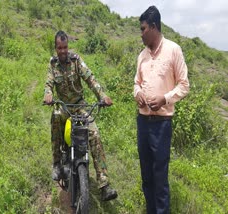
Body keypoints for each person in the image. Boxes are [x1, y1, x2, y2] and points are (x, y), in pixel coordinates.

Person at [43, 30, 117, 201]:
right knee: (55, 117)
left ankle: (104, 184)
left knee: (95, 134)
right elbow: (48, 83)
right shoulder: (53, 64)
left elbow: (91, 79)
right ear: (55, 48)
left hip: (79, 105)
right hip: (63, 106)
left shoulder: (76, 60)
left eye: (65, 47)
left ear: (68, 46)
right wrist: (48, 94)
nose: (63, 51)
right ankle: (56, 164)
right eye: (59, 48)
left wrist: (102, 96)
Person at [134, 6, 189, 214]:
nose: (141, 34)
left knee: (160, 178)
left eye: (143, 29)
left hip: (161, 125)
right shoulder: (142, 56)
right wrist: (137, 92)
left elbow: (184, 85)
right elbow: (136, 83)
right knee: (147, 176)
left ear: (154, 27)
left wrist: (164, 98)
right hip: (143, 122)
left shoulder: (173, 50)